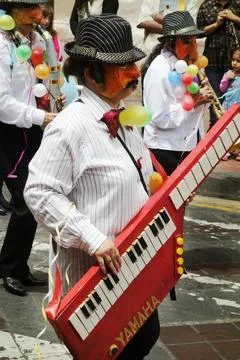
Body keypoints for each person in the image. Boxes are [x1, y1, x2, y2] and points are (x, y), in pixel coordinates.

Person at [24, 13, 167, 359]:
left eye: (133, 65)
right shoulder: (70, 127)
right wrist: (93, 238)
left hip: (134, 269)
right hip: (96, 284)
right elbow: (39, 192)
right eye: (123, 67)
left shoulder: (123, 118)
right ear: (90, 74)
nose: (135, 74)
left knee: (145, 336)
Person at [0, 0, 57, 296]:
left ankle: (18, 266)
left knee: (34, 199)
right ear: (13, 10)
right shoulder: (1, 42)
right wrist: (41, 116)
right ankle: (9, 268)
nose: (40, 14)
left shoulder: (36, 38)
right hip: (8, 132)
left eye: (40, 7)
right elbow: (2, 102)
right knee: (23, 200)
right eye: (32, 7)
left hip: (32, 128)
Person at [142, 11, 212, 175]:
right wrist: (194, 102)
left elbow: (199, 107)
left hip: (188, 144)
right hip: (165, 149)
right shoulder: (159, 69)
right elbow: (159, 117)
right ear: (171, 43)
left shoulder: (189, 66)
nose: (193, 48)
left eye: (194, 41)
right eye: (187, 42)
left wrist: (203, 97)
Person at [197, 0, 240, 128]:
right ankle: (216, 138)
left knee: (238, 102)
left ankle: (237, 137)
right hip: (213, 62)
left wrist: (234, 18)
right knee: (215, 106)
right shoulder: (206, 5)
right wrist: (216, 24)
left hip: (238, 65)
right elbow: (198, 31)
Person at [137, 0, 204, 53]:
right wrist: (176, 28)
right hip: (152, 47)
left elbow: (190, 26)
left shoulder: (190, 1)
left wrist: (157, 18)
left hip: (178, 50)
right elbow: (143, 22)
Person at [220, 44, 240, 161]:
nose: (235, 63)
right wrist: (226, 79)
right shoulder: (229, 73)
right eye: (233, 60)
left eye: (239, 61)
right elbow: (222, 89)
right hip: (229, 107)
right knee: (228, 129)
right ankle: (228, 150)